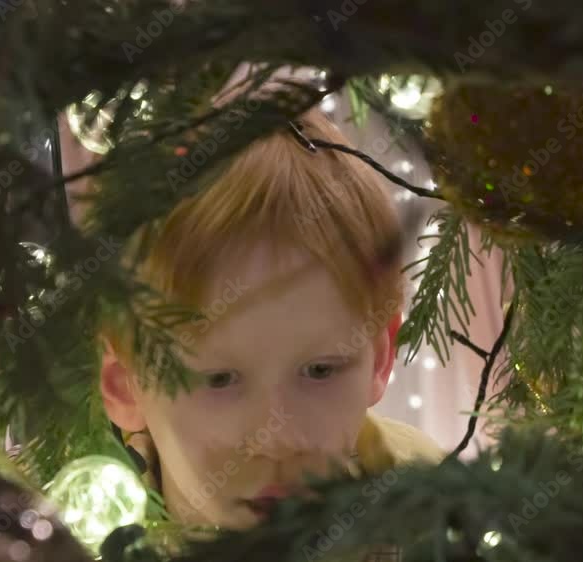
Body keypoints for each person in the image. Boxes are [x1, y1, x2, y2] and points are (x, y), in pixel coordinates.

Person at [97, 106, 444, 533]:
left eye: (320, 370)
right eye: (219, 379)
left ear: (380, 358)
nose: (278, 439)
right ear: (124, 383)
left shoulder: (437, 513)